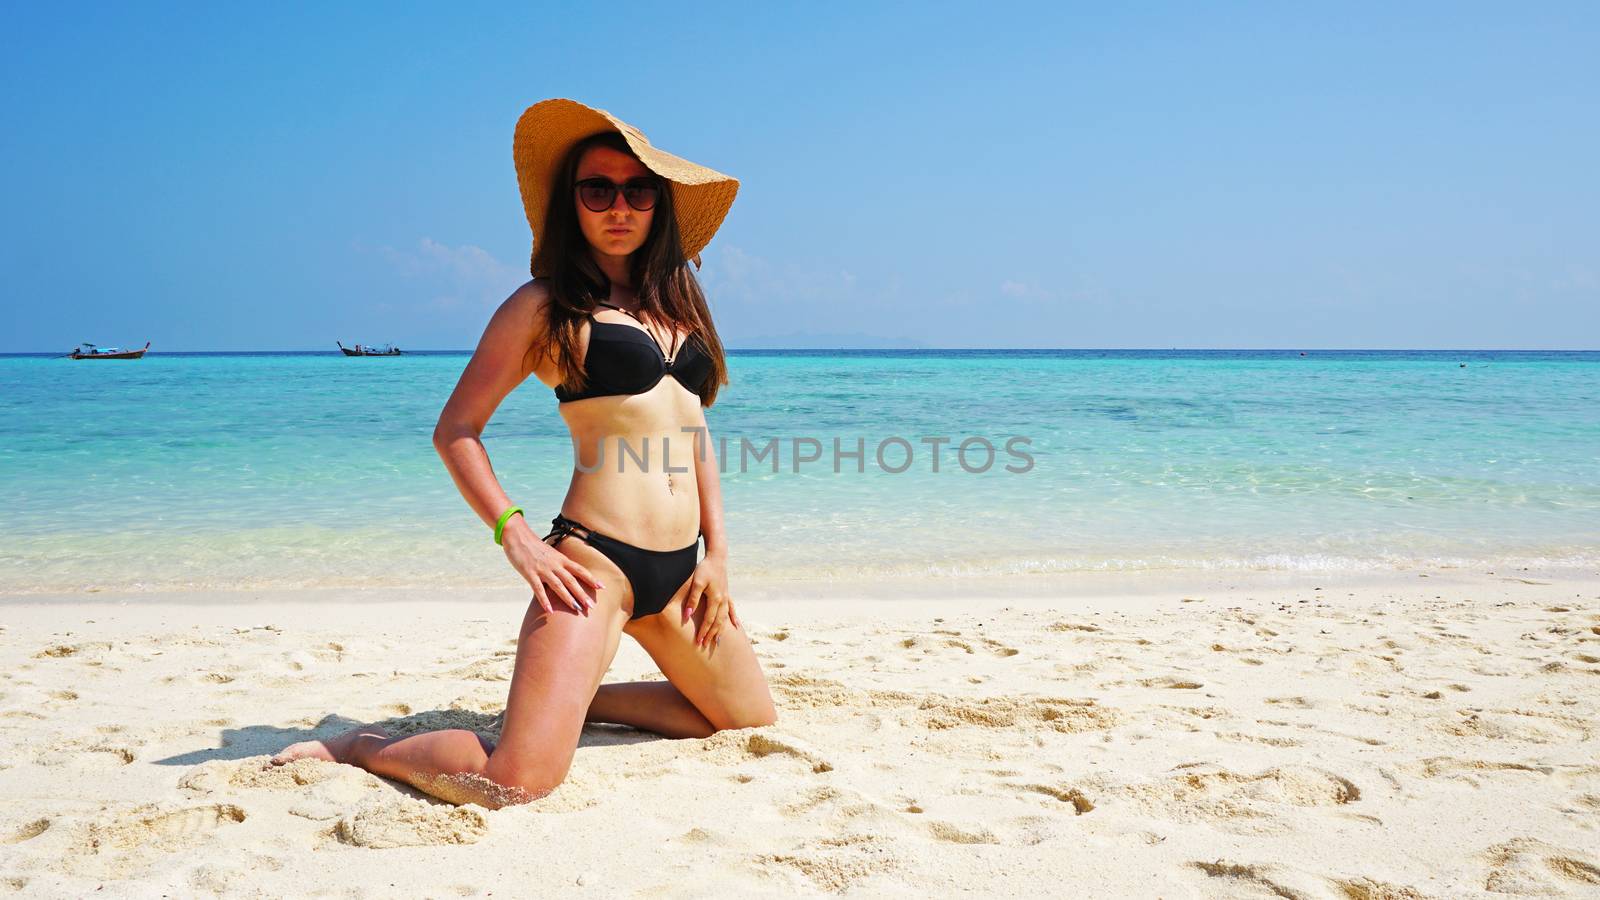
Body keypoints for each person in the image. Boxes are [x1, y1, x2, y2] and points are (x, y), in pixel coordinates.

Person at [271, 98, 777, 808]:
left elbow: (694, 436)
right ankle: (364, 747)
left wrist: (718, 557)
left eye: (636, 190)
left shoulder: (678, 309)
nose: (618, 206)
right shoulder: (544, 308)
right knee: (516, 780)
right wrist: (518, 538)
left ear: (658, 205)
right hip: (591, 568)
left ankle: (578, 701)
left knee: (744, 720)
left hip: (681, 572)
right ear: (571, 204)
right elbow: (457, 430)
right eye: (597, 189)